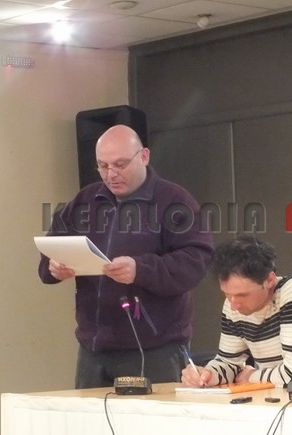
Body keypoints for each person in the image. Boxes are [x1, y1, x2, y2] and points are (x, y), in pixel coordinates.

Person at [38, 124, 214, 388]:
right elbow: (50, 250)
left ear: (144, 156)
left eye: (120, 165)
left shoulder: (174, 201)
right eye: (103, 166)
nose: (111, 174)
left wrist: (140, 270)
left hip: (156, 348)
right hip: (93, 349)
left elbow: (196, 260)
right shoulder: (85, 201)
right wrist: (53, 268)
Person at [180, 236, 292, 387]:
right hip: (281, 397)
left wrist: (252, 377)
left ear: (269, 280)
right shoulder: (233, 304)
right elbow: (229, 362)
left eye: (243, 295)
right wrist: (208, 375)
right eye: (227, 294)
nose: (233, 305)